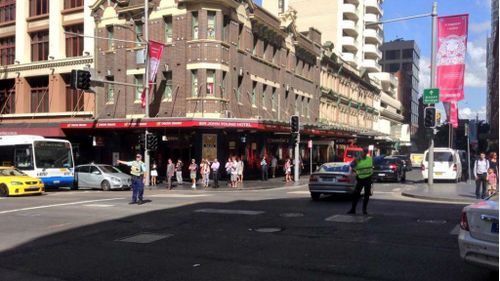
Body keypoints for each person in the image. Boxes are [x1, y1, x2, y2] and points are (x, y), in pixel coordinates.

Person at [347, 147, 373, 215]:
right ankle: (353, 209)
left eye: (365, 152)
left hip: (368, 179)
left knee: (367, 195)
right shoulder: (358, 159)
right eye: (363, 151)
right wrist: (354, 167)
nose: (364, 153)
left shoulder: (369, 159)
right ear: (362, 152)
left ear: (367, 152)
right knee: (356, 194)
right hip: (360, 179)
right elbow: (351, 165)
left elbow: (375, 162)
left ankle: (364, 210)